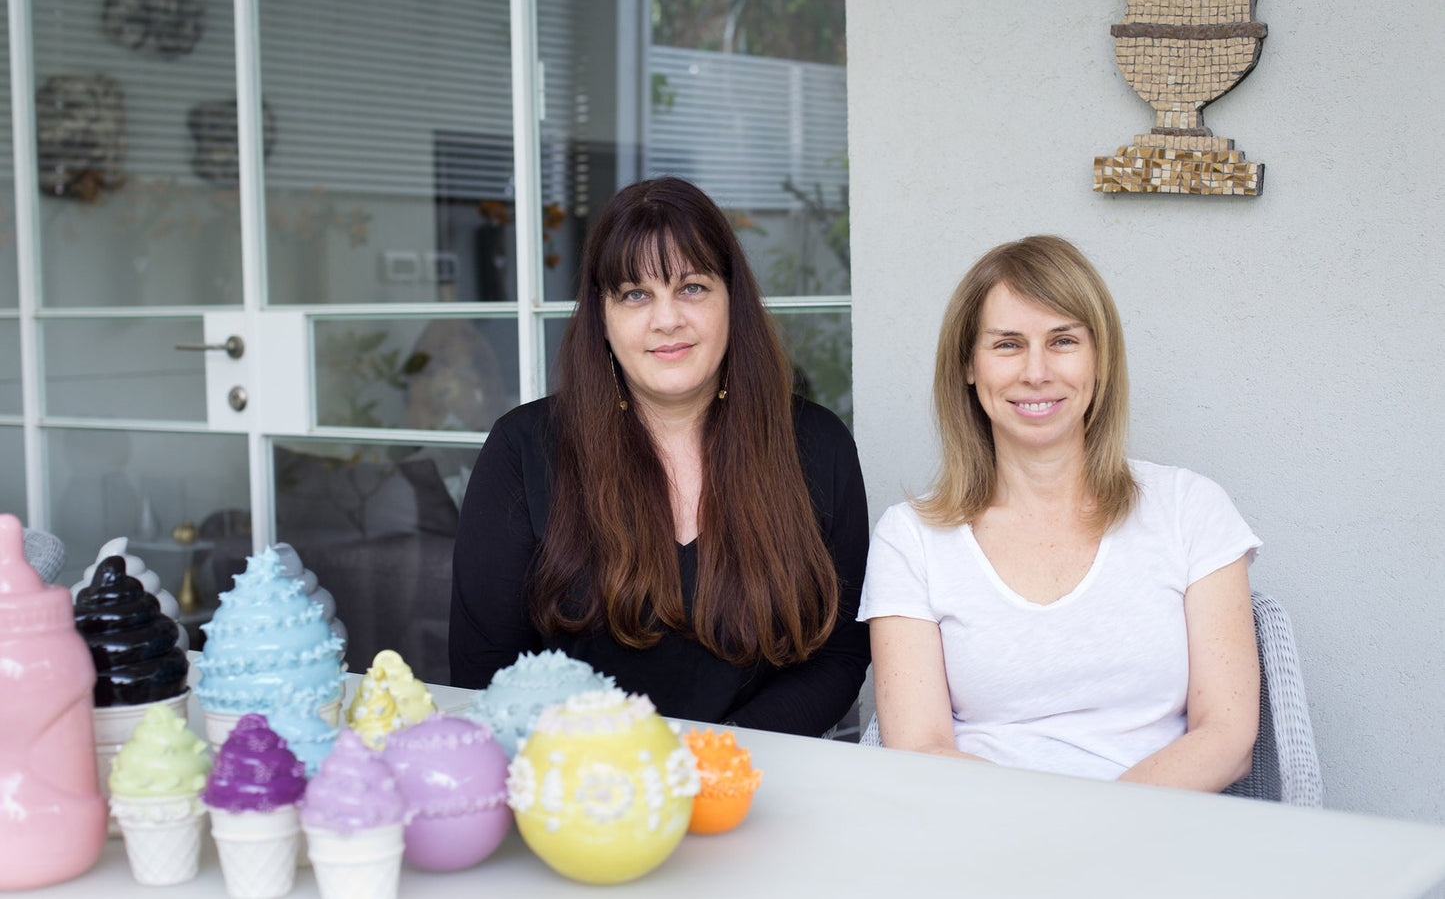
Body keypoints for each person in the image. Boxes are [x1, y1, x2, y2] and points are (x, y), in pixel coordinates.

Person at [450, 176, 869, 736]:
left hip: (760, 779)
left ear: (731, 302)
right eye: (635, 294)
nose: (667, 319)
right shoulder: (523, 449)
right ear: (601, 315)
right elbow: (485, 669)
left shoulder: (817, 446)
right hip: (581, 789)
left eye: (692, 287)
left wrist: (713, 757)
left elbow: (840, 653)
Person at [860, 236, 1260, 790]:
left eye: (1063, 340)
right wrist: (1038, 839)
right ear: (968, 367)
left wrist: (1100, 829)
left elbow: (1228, 735)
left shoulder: (1191, 509)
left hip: (1156, 830)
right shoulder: (912, 537)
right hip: (981, 832)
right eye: (1007, 345)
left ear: (1100, 360)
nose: (1037, 372)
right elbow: (920, 747)